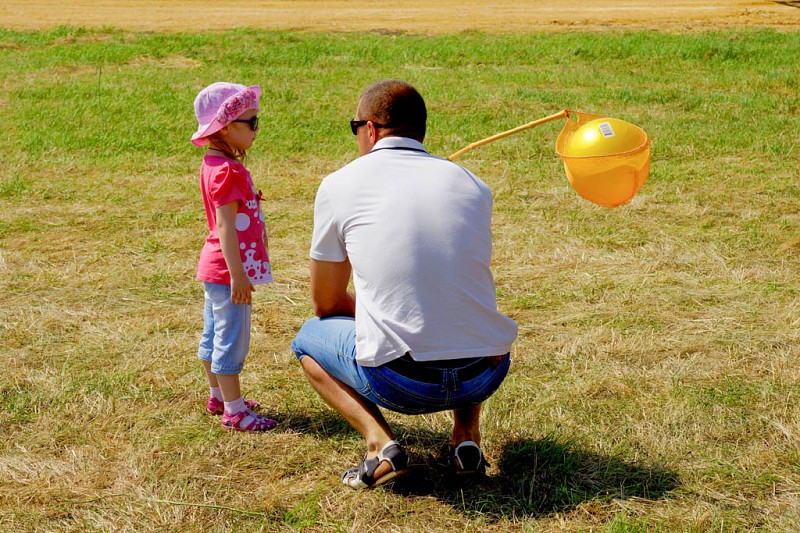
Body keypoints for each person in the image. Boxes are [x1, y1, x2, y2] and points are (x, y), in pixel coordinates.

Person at [291, 79, 517, 489]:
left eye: (355, 127)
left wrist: (384, 317)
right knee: (458, 307)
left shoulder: (339, 185)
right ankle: (466, 437)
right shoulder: (472, 184)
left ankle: (380, 445)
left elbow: (325, 303)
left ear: (370, 128)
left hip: (403, 382)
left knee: (308, 339)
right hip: (484, 371)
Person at [191, 82, 276, 432]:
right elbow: (226, 226)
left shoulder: (214, 163)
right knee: (231, 341)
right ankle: (235, 411)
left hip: (216, 268)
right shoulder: (228, 171)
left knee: (214, 334)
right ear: (226, 127)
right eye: (252, 122)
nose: (257, 129)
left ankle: (219, 396)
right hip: (228, 272)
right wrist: (238, 275)